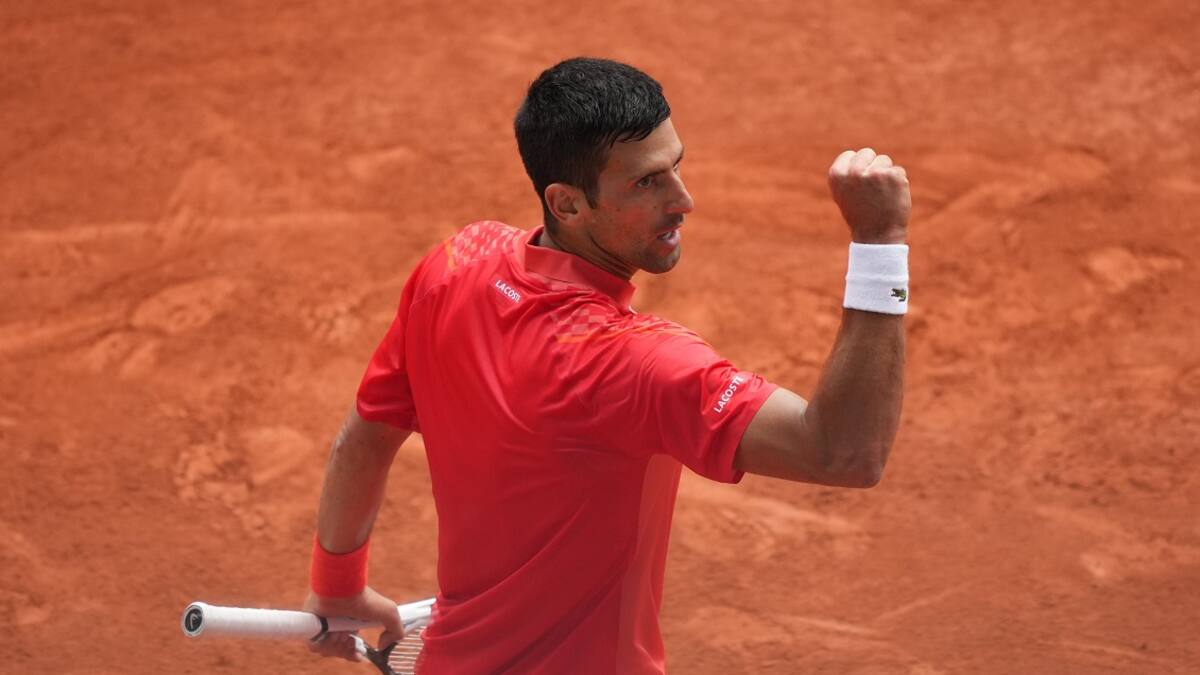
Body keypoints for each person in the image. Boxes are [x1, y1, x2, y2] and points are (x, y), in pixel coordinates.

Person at [302, 57, 910, 673]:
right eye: (647, 184)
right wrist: (879, 243)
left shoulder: (455, 264)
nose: (683, 200)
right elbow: (845, 452)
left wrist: (337, 585)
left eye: (676, 167)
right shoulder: (636, 364)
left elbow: (369, 432)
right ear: (566, 204)